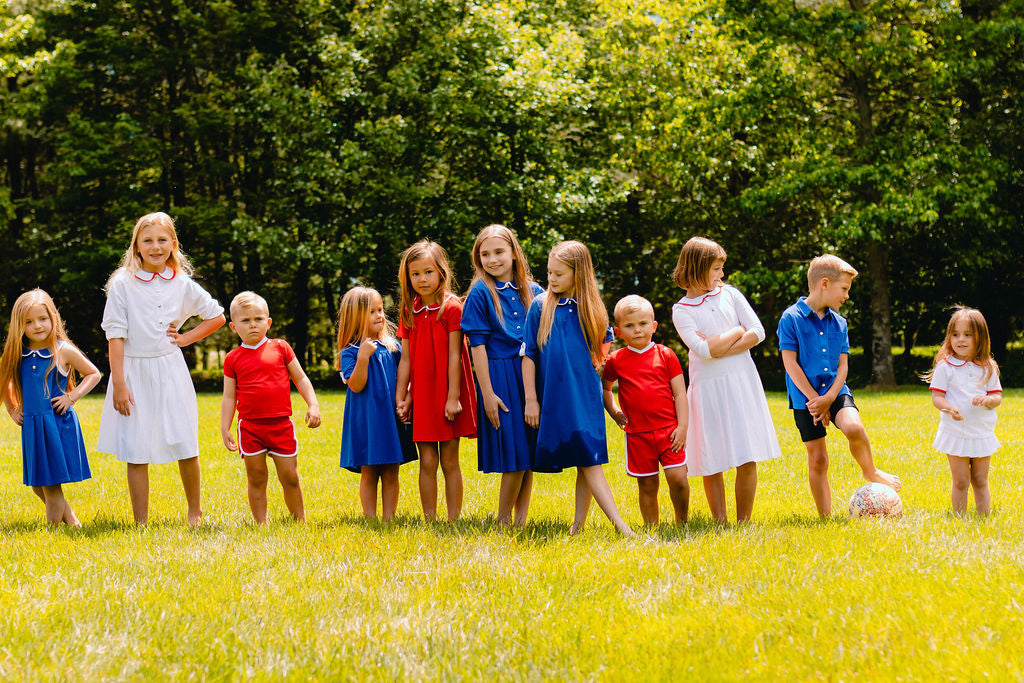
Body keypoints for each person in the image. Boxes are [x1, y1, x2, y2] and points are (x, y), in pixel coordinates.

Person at [97, 212, 225, 525]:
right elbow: (115, 337)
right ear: (137, 247)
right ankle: (141, 520)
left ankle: (195, 511)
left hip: (171, 370)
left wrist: (185, 339)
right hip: (132, 371)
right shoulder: (122, 285)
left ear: (173, 244)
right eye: (148, 241)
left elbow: (217, 316)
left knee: (185, 439)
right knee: (136, 446)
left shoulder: (181, 283)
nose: (156, 247)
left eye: (162, 240)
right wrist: (120, 385)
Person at [522, 240, 635, 537]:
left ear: (578, 274)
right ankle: (610, 527)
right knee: (585, 459)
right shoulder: (539, 306)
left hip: (585, 398)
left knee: (589, 459)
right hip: (556, 399)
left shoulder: (593, 310)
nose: (552, 279)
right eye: (549, 273)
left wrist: (597, 364)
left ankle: (602, 526)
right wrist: (531, 400)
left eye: (559, 274)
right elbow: (529, 354)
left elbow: (603, 347)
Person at [777, 253, 901, 518]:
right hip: (805, 399)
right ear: (824, 283)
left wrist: (830, 397)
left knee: (854, 426)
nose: (846, 296)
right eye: (844, 289)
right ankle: (826, 517)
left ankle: (870, 471)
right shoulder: (791, 318)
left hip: (836, 390)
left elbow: (843, 366)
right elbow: (790, 364)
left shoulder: (840, 323)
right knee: (818, 458)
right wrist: (815, 400)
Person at [672, 237, 781, 523]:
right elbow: (704, 350)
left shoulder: (730, 295)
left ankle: (743, 520)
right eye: (716, 269)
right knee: (712, 459)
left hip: (740, 381)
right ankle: (719, 521)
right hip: (707, 388)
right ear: (697, 268)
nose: (721, 275)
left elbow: (758, 331)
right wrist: (736, 331)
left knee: (746, 454)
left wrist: (724, 344)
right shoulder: (681, 310)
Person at [461, 224, 543, 526]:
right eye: (485, 254)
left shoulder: (534, 292)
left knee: (529, 452)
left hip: (531, 375)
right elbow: (477, 347)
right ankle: (503, 519)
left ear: (513, 253)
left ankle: (521, 519)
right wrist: (487, 394)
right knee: (515, 452)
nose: (492, 259)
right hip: (499, 375)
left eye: (498, 252)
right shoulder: (481, 293)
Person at [1, 289, 101, 526]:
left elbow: (93, 374)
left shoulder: (62, 350)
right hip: (33, 426)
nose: (37, 325)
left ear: (53, 318)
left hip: (55, 424)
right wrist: (12, 408)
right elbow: (5, 379)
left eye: (42, 319)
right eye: (29, 321)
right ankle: (73, 522)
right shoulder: (18, 353)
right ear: (19, 325)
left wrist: (72, 397)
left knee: (51, 484)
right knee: (38, 485)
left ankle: (53, 531)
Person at [221, 291, 321, 523]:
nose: (253, 325)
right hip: (250, 428)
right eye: (245, 321)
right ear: (233, 327)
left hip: (281, 425)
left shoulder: (280, 347)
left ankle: (299, 520)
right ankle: (261, 524)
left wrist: (313, 404)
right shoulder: (232, 359)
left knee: (290, 476)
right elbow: (228, 397)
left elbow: (301, 379)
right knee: (256, 477)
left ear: (268, 322)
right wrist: (225, 427)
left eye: (258, 319)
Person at [395, 240, 477, 521]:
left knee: (450, 460)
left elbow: (456, 355)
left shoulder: (452, 308)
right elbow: (405, 359)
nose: (422, 279)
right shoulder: (409, 310)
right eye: (415, 274)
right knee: (427, 460)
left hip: (447, 391)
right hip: (422, 394)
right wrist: (403, 396)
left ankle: (453, 519)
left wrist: (453, 396)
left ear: (441, 271)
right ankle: (430, 518)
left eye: (428, 272)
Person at [603, 295, 689, 526]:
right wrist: (614, 411)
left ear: (653, 326)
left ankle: (682, 521)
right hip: (638, 435)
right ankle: (652, 527)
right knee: (648, 484)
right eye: (629, 326)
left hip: (669, 431)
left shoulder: (666, 354)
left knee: (678, 478)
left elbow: (680, 393)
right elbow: (606, 389)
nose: (637, 330)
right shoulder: (616, 360)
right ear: (618, 331)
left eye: (642, 324)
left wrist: (682, 427)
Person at [337, 286, 417, 521]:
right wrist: (363, 357)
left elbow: (408, 376)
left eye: (380, 309)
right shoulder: (349, 353)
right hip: (367, 422)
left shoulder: (393, 348)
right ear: (356, 318)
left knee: (392, 470)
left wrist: (406, 400)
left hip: (390, 420)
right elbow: (356, 385)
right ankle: (370, 517)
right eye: (372, 311)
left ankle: (389, 517)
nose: (380, 315)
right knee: (369, 471)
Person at [925, 306, 1001, 515]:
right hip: (955, 431)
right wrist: (949, 408)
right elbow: (937, 398)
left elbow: (997, 397)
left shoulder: (988, 367)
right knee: (961, 480)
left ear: (981, 337)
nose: (961, 340)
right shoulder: (945, 367)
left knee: (980, 479)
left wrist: (988, 399)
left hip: (981, 432)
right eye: (956, 334)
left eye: (968, 335)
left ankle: (983, 516)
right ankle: (959, 518)